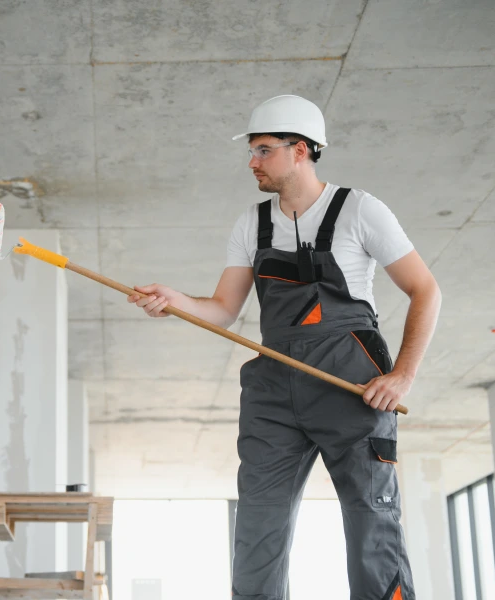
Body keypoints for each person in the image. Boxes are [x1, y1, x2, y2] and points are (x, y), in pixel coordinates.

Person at [127, 95, 441, 599]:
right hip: (275, 386)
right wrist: (176, 301)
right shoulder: (251, 223)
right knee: (257, 526)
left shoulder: (360, 210)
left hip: (350, 383)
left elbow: (426, 290)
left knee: (370, 523)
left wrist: (402, 375)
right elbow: (224, 308)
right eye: (252, 150)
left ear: (301, 150)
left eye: (263, 150)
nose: (252, 161)